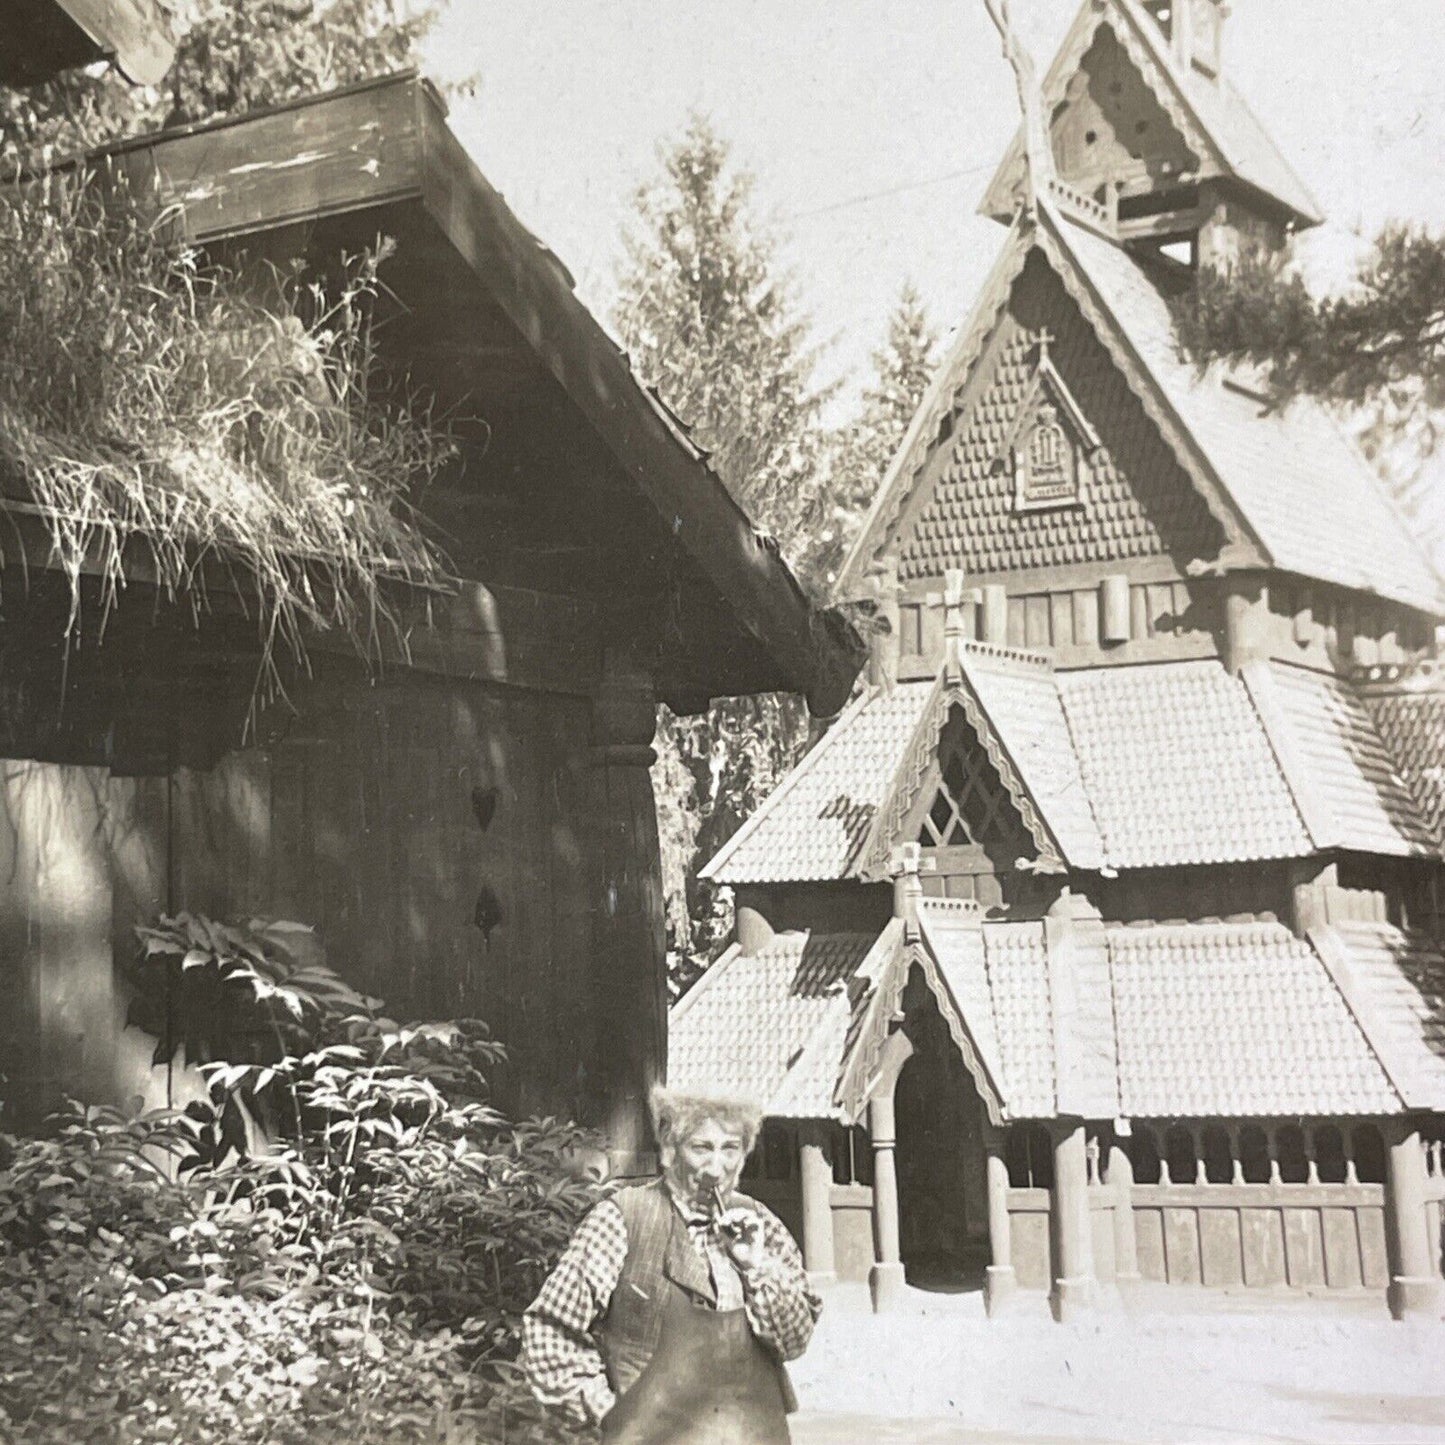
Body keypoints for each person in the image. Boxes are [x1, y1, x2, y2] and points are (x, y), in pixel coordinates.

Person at [522, 1087, 822, 1443]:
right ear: (670, 1150)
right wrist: (609, 1412)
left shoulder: (762, 1225)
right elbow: (548, 1330)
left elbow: (795, 1342)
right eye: (701, 1148)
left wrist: (755, 1266)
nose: (716, 1168)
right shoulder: (623, 1217)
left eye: (730, 1149)